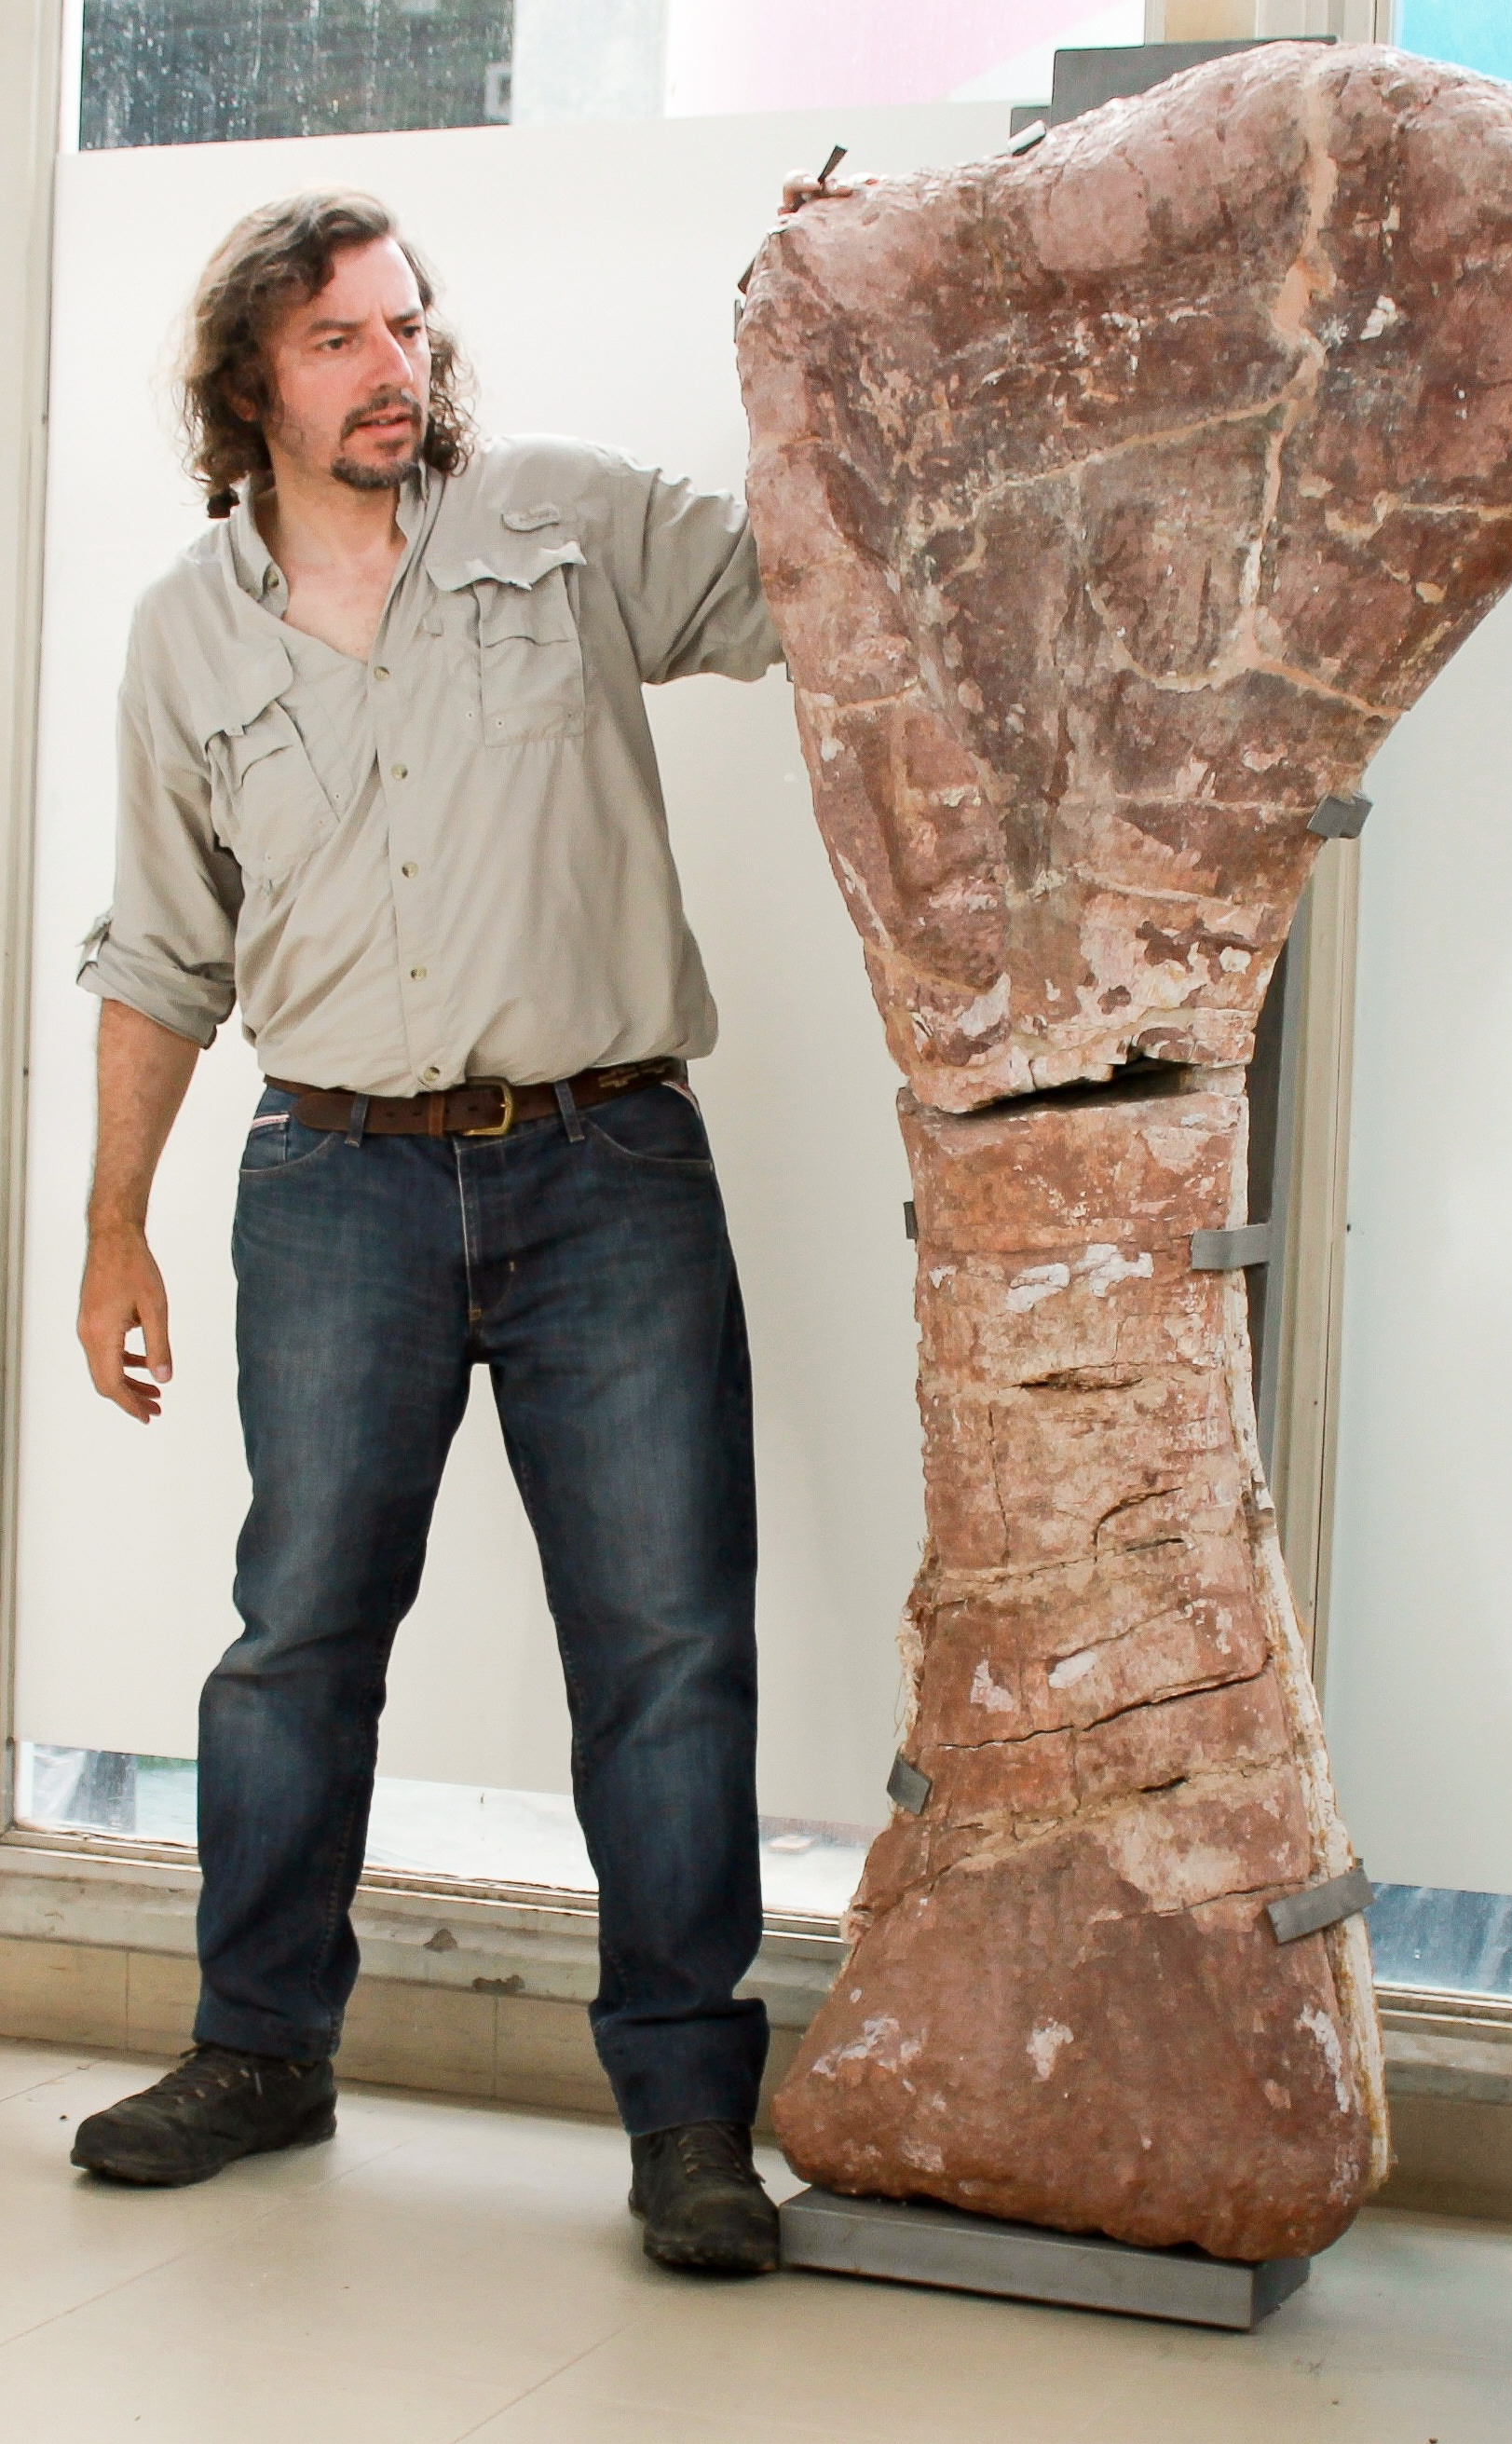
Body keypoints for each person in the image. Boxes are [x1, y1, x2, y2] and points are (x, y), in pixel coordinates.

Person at [67, 166, 859, 2274]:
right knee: (298, 1640)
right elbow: (161, 953)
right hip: (332, 1183)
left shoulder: (570, 525)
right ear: (250, 380)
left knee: (667, 1647)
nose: (390, 366)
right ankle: (260, 2050)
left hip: (609, 1169)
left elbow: (820, 578)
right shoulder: (183, 634)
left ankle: (690, 2117)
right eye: (336, 335)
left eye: (407, 325)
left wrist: (844, 330)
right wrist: (114, 1228)